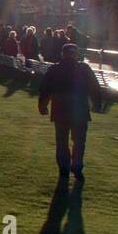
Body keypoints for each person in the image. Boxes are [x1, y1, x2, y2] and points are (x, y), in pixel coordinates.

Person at [38, 43, 103, 181]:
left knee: (61, 140)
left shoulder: (55, 69)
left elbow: (45, 88)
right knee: (79, 140)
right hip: (79, 110)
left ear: (63, 54)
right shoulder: (84, 69)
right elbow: (94, 87)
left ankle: (63, 167)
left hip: (60, 109)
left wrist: (42, 105)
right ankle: (77, 164)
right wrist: (97, 104)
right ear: (76, 54)